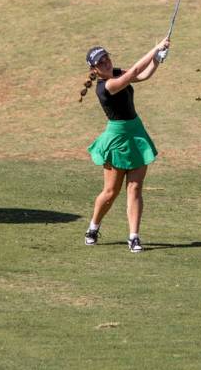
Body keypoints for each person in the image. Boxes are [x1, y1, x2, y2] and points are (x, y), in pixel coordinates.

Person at [81, 38, 170, 253]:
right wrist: (155, 48)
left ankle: (134, 237)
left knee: (135, 188)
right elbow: (133, 73)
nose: (106, 63)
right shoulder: (106, 87)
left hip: (136, 133)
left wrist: (157, 60)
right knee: (111, 192)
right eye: (100, 62)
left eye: (106, 58)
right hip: (117, 138)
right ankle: (93, 227)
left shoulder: (117, 72)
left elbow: (142, 75)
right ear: (94, 69)